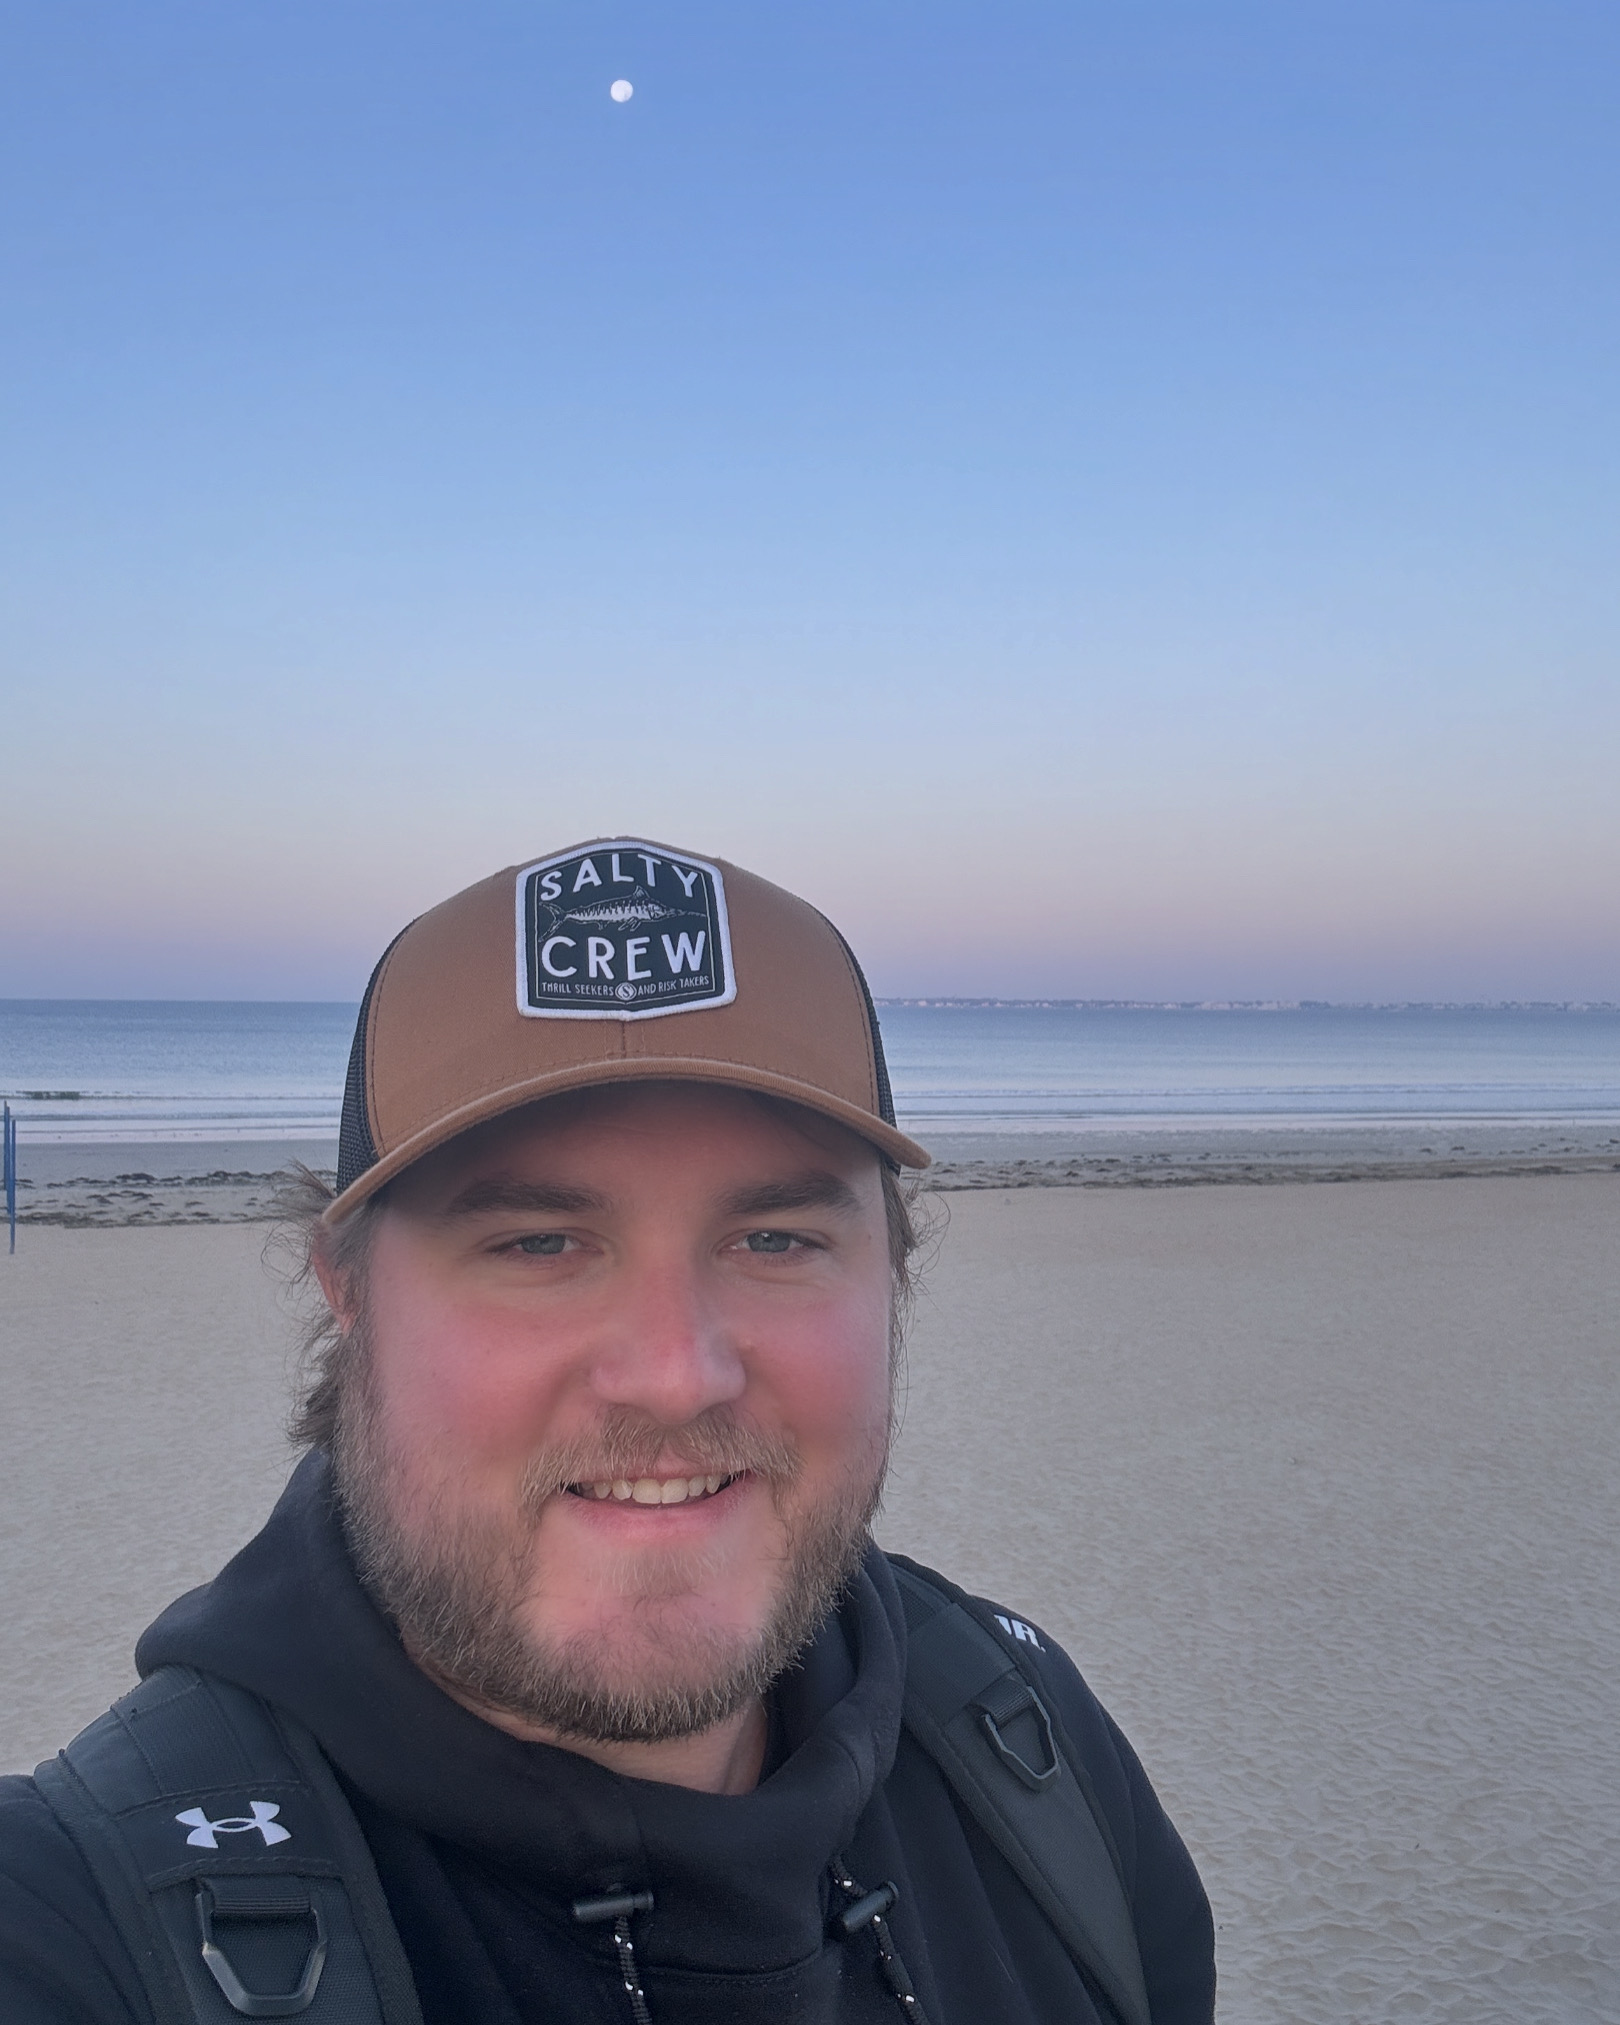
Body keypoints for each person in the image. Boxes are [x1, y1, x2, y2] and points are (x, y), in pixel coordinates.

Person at [0, 838, 1215, 2025]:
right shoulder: (74, 1918)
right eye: (538, 1243)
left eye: (775, 1240)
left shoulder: (1029, 1750)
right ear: (347, 1292)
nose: (676, 1378)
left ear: (889, 1278)